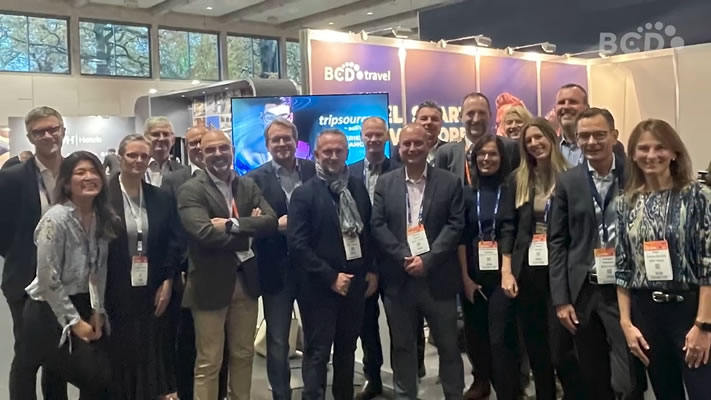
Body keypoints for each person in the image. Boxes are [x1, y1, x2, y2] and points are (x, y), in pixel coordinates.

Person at [549, 108, 643, 399]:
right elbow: (558, 242)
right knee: (592, 370)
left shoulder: (635, 174)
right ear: (576, 139)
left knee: (629, 371)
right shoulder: (568, 181)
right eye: (584, 136)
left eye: (599, 135)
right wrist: (561, 300)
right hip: (584, 289)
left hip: (624, 287)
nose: (592, 142)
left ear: (614, 136)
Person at [9, 151, 119, 399]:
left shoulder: (103, 217)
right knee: (90, 374)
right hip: (46, 309)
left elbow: (99, 269)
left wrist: (98, 311)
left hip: (82, 300)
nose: (89, 177)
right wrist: (74, 322)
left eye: (94, 171)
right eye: (80, 172)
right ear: (67, 183)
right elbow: (48, 279)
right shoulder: (55, 219)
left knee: (69, 376)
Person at [178, 129, 277, 400]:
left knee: (243, 354)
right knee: (209, 361)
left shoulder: (247, 185)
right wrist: (249, 233)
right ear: (201, 154)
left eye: (223, 148)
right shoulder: (191, 190)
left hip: (246, 281)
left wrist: (232, 224)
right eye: (211, 149)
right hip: (209, 284)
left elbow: (270, 221)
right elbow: (204, 234)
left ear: (232, 150)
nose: (218, 154)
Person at [616, 119, 711, 400]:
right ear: (633, 155)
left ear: (674, 153)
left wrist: (703, 326)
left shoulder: (699, 197)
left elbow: (709, 264)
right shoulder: (626, 203)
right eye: (643, 148)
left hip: (691, 311)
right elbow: (623, 267)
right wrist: (626, 323)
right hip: (646, 312)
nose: (651, 155)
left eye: (660, 147)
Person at [371, 123, 465, 399]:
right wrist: (403, 256)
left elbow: (455, 225)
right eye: (406, 144)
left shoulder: (449, 182)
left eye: (418, 143)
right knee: (403, 348)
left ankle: (454, 395)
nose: (412, 148)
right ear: (398, 148)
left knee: (448, 348)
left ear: (429, 145)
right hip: (399, 280)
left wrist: (428, 259)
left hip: (438, 279)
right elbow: (378, 225)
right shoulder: (385, 183)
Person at [287, 129, 374, 400]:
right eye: (327, 151)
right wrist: (331, 277)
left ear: (347, 153)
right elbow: (297, 245)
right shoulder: (304, 194)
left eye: (339, 151)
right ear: (316, 154)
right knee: (318, 353)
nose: (333, 156)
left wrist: (371, 270)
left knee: (347, 350)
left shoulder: (357, 188)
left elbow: (368, 233)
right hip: (318, 288)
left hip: (354, 285)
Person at [500, 118, 580, 400]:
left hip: (562, 270)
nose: (534, 144)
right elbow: (508, 227)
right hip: (528, 271)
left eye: (539, 137)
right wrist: (506, 271)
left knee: (562, 349)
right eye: (528, 141)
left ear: (551, 138)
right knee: (535, 347)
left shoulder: (571, 177)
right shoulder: (518, 179)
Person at [105, 134, 184, 400]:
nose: (138, 161)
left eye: (143, 156)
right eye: (132, 155)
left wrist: (168, 281)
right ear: (120, 158)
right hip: (114, 286)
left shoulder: (161, 198)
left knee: (150, 347)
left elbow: (174, 242)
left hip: (152, 285)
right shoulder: (103, 196)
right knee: (119, 348)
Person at [0, 106, 67, 400]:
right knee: (27, 355)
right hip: (25, 281)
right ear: (29, 137)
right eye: (40, 132)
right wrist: (23, 257)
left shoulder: (76, 173)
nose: (48, 136)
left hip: (67, 281)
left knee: (61, 354)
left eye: (53, 129)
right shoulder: (11, 178)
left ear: (63, 131)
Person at [247, 118, 316, 400]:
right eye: (275, 139)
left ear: (296, 141)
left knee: (314, 337)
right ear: (267, 145)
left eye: (287, 138)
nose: (282, 144)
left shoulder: (314, 171)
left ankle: (313, 392)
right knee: (277, 341)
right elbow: (251, 225)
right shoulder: (253, 179)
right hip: (275, 269)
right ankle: (281, 394)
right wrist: (274, 225)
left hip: (312, 267)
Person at [161, 124, 230, 400]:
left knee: (226, 345)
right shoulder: (175, 180)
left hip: (228, 270)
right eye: (194, 143)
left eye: (205, 141)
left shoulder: (233, 178)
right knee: (191, 342)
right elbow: (172, 228)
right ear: (188, 148)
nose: (201, 148)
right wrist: (179, 269)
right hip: (190, 271)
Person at [458, 135, 519, 400]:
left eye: (492, 154)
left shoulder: (510, 189)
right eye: (481, 154)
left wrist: (507, 271)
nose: (486, 159)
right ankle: (481, 382)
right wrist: (465, 278)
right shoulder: (466, 192)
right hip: (472, 274)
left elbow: (509, 230)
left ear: (502, 158)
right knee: (475, 336)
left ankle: (508, 392)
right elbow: (461, 236)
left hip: (503, 275)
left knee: (500, 338)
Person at [348, 117, 400, 400]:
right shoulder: (350, 172)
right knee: (367, 324)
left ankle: (407, 375)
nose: (373, 139)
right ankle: (373, 377)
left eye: (379, 134)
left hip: (394, 257)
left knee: (401, 323)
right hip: (363, 259)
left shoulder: (400, 169)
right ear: (361, 137)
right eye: (368, 135)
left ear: (387, 137)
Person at [436, 92, 520, 187]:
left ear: (490, 115)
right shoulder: (446, 153)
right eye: (470, 113)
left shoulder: (509, 148)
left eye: (482, 113)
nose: (476, 119)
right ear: (460, 116)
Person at [555, 84, 625, 166]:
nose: (566, 107)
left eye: (573, 102)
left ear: (586, 108)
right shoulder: (550, 146)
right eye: (561, 103)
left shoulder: (613, 147)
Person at [144, 116, 185, 187]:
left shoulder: (183, 171)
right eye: (155, 134)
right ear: (145, 139)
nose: (161, 138)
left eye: (166, 134)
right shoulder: (136, 169)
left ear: (173, 140)